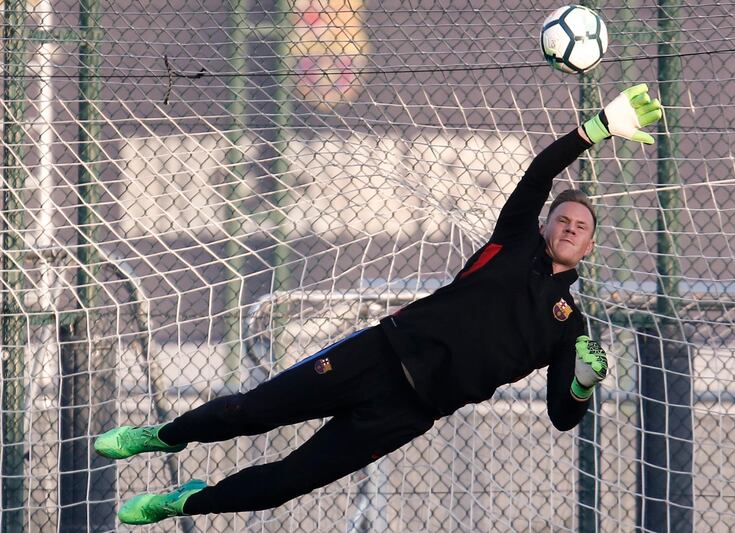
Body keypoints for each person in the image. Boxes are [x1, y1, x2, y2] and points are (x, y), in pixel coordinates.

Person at [94, 84, 662, 525]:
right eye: (562, 217)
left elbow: (563, 417)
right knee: (253, 410)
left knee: (288, 482)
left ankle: (183, 504)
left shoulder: (572, 330)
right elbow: (540, 171)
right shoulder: (513, 241)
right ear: (545, 226)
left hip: (408, 413)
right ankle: (161, 436)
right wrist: (600, 128)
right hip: (380, 353)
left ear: (590, 246)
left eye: (581, 225)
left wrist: (583, 384)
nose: (569, 225)